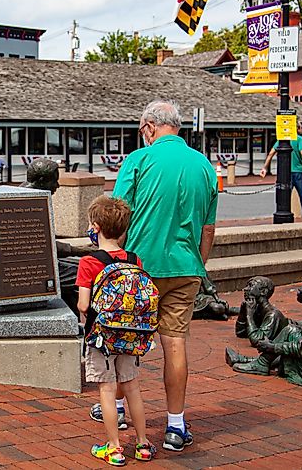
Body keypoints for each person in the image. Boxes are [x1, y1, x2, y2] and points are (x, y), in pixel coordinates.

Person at [112, 99, 217, 452]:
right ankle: (175, 425)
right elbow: (208, 229)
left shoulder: (139, 160)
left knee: (124, 340)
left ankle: (116, 409)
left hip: (141, 267)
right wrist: (198, 268)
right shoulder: (204, 166)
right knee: (175, 344)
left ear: (149, 128)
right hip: (186, 267)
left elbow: (117, 219)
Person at [76, 196, 155, 465]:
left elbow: (84, 304)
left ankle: (113, 446)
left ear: (95, 227)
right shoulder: (135, 260)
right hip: (132, 335)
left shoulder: (89, 262)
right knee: (132, 387)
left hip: (102, 336)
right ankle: (143, 444)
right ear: (123, 230)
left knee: (107, 391)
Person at [259, 122, 302, 222]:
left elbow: (271, 153)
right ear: (297, 128)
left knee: (284, 195)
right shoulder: (299, 139)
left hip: (285, 173)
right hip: (299, 172)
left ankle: (282, 214)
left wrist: (265, 168)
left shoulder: (282, 140)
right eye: (301, 127)